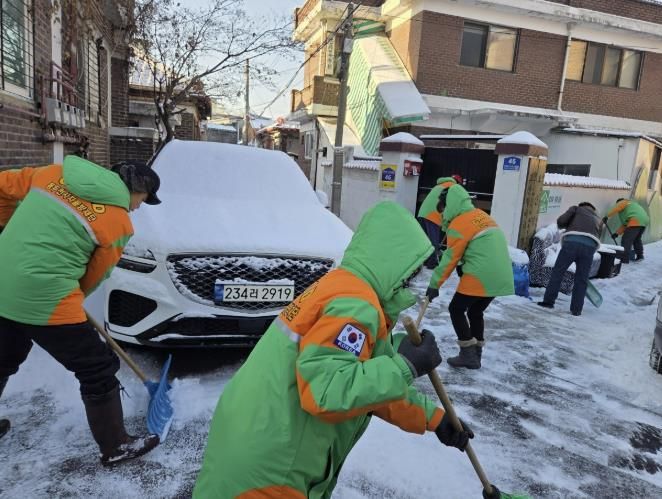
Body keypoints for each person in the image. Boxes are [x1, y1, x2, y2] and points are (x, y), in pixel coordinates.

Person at [193, 201, 475, 498]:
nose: (412, 281)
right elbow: (327, 392)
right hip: (272, 469)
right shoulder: (355, 304)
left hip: (249, 442)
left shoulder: (340, 287)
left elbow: (364, 385)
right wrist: (405, 365)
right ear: (394, 263)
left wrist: (434, 418)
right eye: (412, 271)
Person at [0, 156, 162, 465]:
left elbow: (1, 186)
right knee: (97, 367)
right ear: (136, 189)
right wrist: (70, 299)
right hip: (45, 294)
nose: (138, 207)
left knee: (4, 356)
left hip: (2, 281)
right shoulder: (118, 223)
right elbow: (93, 277)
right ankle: (116, 446)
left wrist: (5, 229)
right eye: (143, 200)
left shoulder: (53, 174)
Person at [426, 184, 514, 369]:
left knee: (456, 309)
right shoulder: (481, 216)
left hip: (481, 275)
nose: (443, 215)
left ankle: (468, 354)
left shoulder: (460, 223)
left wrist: (434, 285)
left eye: (443, 209)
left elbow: (450, 258)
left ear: (450, 205)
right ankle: (476, 355)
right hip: (501, 274)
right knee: (475, 311)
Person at [538, 202, 603, 316]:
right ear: (593, 209)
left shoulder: (576, 209)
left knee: (558, 272)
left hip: (571, 244)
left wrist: (568, 225)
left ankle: (548, 302)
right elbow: (598, 235)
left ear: (582, 206)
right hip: (589, 248)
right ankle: (576, 310)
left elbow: (561, 222)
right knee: (581, 279)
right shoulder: (598, 218)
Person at [417, 175, 463, 269]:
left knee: (424, 241)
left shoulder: (440, 185)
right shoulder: (452, 187)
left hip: (422, 213)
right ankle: (432, 264)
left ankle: (423, 262)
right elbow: (452, 205)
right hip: (432, 215)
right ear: (458, 183)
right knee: (433, 241)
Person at [603, 198, 649, 263]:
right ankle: (640, 256)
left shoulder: (624, 202)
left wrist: (607, 216)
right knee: (636, 239)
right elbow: (626, 224)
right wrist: (617, 233)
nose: (617, 206)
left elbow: (616, 208)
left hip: (635, 220)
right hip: (644, 221)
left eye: (617, 205)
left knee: (626, 240)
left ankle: (624, 259)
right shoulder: (630, 207)